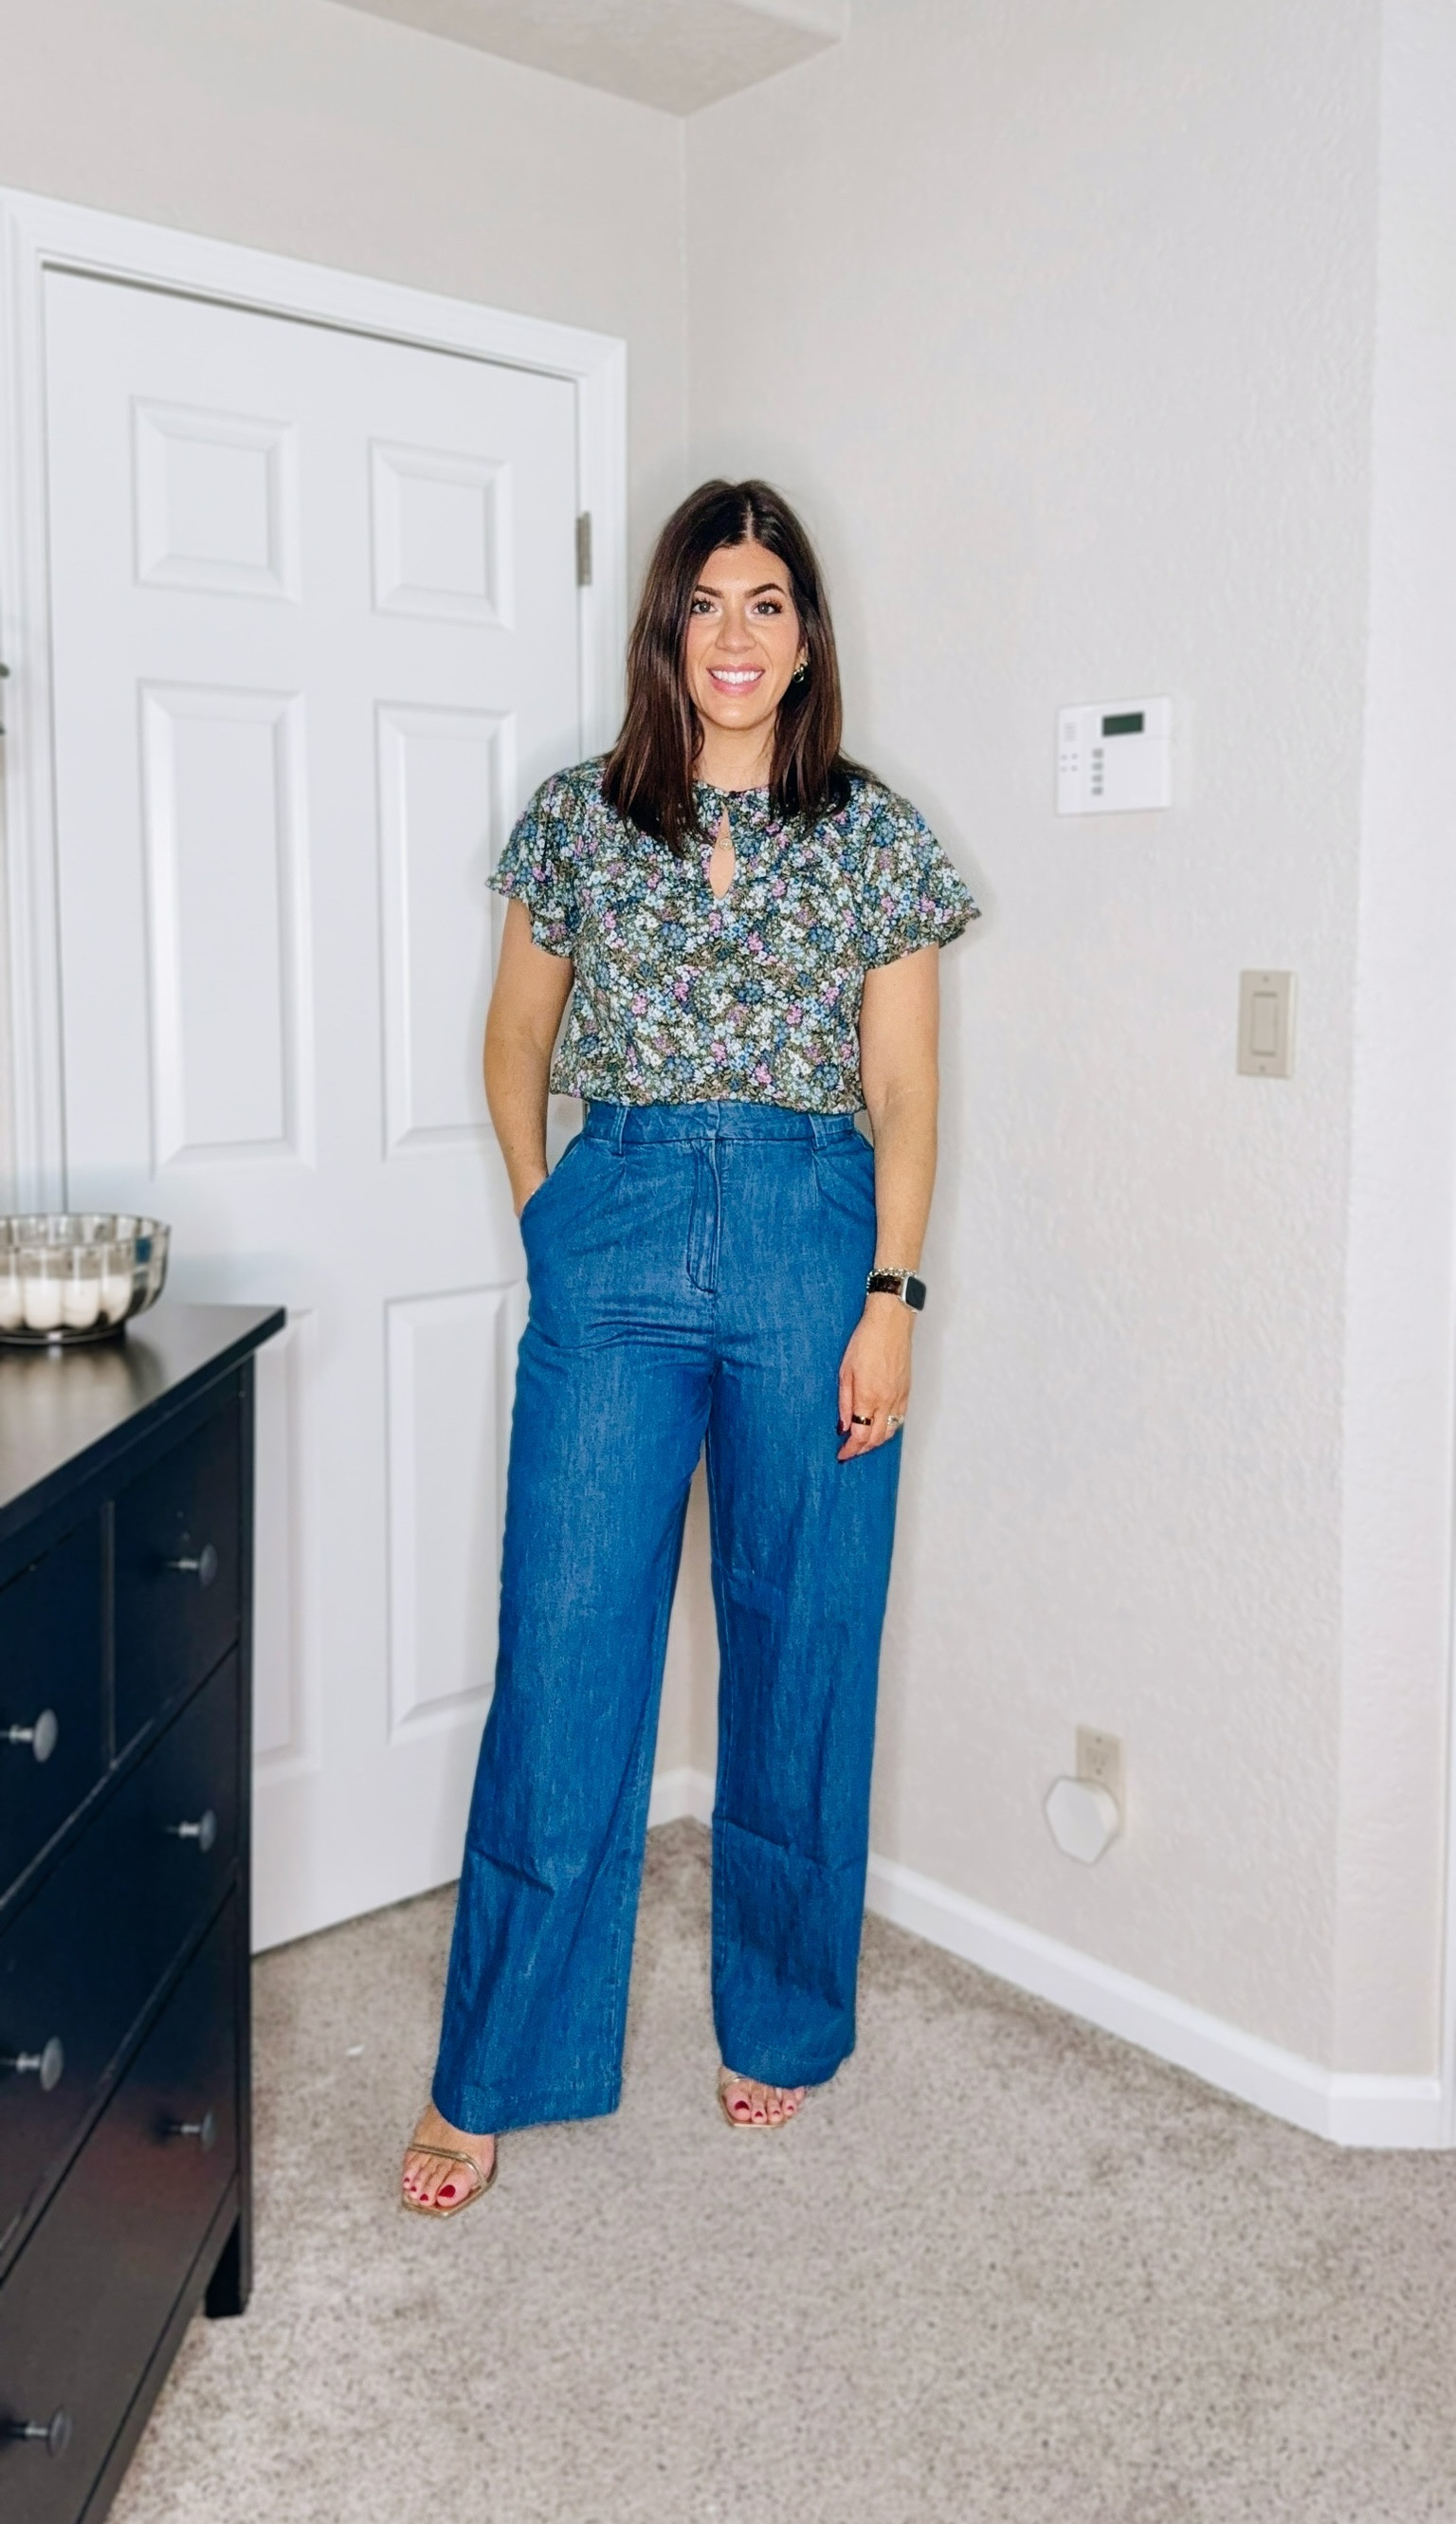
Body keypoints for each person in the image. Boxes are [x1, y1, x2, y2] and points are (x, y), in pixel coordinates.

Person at [401, 479, 974, 2215]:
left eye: (767, 604)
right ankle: (496, 2068)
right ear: (668, 632)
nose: (736, 635)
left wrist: (892, 1301)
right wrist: (549, 1219)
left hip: (814, 1237)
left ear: (806, 639)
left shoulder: (874, 835)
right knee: (564, 1652)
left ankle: (782, 2017)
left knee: (807, 1640)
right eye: (707, 603)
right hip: (623, 1219)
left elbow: (905, 1091)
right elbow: (516, 1040)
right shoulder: (579, 818)